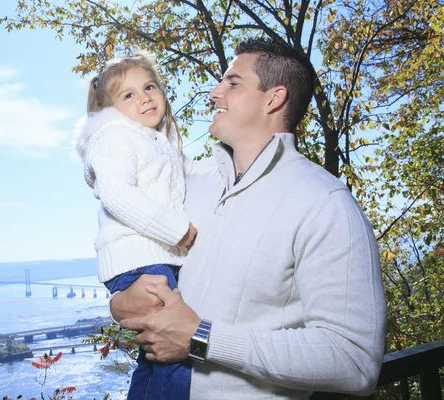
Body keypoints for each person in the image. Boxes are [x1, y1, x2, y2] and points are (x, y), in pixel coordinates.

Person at [113, 38, 387, 399]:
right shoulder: (185, 182)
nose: (214, 93)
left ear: (273, 98)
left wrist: (203, 339)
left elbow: (354, 361)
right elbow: (126, 241)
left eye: (232, 82)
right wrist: (119, 301)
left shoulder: (325, 203)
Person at [75, 50, 198, 400]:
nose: (144, 97)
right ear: (111, 110)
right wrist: (179, 231)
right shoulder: (116, 135)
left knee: (155, 356)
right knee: (176, 352)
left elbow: (186, 177)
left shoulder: (154, 140)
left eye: (150, 87)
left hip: (151, 258)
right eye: (128, 95)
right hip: (140, 260)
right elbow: (116, 194)